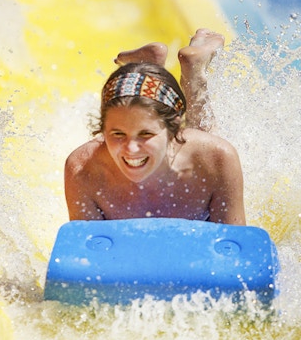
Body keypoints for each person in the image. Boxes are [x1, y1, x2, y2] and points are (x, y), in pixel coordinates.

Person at [64, 29, 246, 225]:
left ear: (174, 128)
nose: (131, 148)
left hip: (194, 150)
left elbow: (233, 246)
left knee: (203, 135)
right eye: (117, 133)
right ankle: (149, 67)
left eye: (145, 134)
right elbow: (88, 251)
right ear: (103, 129)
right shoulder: (82, 170)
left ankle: (194, 72)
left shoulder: (217, 158)